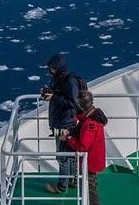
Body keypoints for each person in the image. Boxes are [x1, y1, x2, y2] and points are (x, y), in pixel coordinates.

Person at [41, 54, 81, 193]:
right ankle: (71, 181)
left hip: (65, 123)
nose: (51, 71)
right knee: (68, 156)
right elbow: (60, 96)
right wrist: (49, 94)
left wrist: (55, 97)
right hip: (60, 121)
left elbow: (72, 103)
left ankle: (61, 187)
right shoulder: (58, 79)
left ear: (59, 68)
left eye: (53, 68)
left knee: (63, 157)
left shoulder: (70, 82)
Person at [64, 90, 108, 205]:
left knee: (90, 187)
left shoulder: (90, 124)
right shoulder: (93, 114)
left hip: (90, 162)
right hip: (94, 159)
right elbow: (82, 117)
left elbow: (83, 146)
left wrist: (68, 138)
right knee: (90, 185)